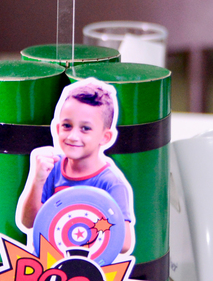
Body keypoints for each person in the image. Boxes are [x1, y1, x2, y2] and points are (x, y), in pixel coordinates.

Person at [17, 78, 135, 254]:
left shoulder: (111, 183)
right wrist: (38, 179)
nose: (73, 136)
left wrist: (93, 225)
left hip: (87, 265)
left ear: (105, 137)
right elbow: (29, 222)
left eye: (85, 128)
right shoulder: (52, 168)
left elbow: (124, 244)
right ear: (57, 128)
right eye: (67, 125)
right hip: (47, 264)